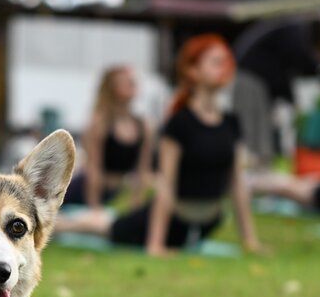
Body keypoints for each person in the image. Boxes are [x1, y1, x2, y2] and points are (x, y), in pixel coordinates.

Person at [56, 34, 262, 256]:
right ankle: (56, 225)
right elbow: (166, 184)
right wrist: (155, 244)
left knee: (108, 221)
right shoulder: (179, 122)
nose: (224, 68)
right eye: (215, 62)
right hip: (167, 218)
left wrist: (250, 241)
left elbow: (237, 183)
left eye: (226, 61)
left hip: (204, 222)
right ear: (192, 71)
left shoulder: (231, 122)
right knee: (104, 227)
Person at [232, 14, 320, 167]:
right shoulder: (296, 33)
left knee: (264, 130)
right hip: (250, 79)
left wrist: (292, 100)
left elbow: (284, 72)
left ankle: (261, 170)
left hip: (254, 79)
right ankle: (255, 174)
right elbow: (298, 58)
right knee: (255, 133)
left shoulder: (289, 34)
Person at [63, 65, 154, 209]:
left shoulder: (144, 126)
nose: (132, 84)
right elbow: (93, 169)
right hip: (86, 192)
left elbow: (143, 171)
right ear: (112, 88)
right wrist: (94, 207)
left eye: (133, 81)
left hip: (118, 192)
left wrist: (137, 202)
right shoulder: (100, 124)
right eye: (125, 81)